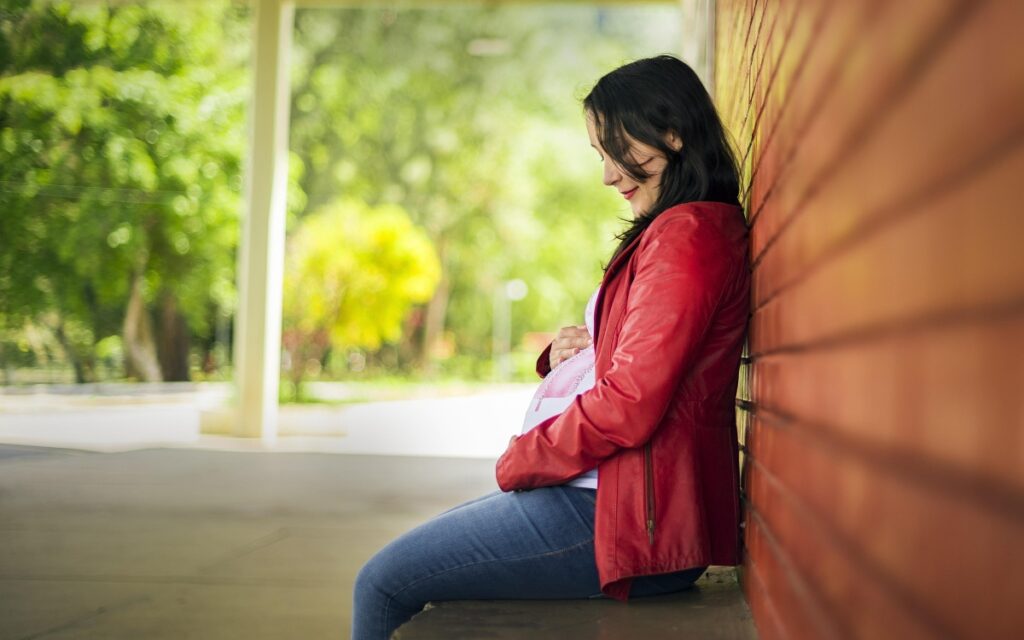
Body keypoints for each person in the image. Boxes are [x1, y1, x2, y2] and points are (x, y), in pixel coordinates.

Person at [351, 54, 750, 640]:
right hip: (608, 497)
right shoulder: (679, 231)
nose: (610, 176)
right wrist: (589, 344)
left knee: (381, 582)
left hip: (622, 519)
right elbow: (652, 357)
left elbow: (631, 402)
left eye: (617, 151)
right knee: (401, 564)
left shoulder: (687, 236)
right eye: (601, 157)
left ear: (672, 133)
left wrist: (525, 458)